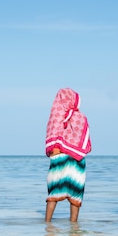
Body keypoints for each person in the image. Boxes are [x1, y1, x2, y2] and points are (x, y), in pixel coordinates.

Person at [44, 88, 92, 222]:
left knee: (54, 191)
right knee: (75, 193)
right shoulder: (81, 118)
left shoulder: (55, 116)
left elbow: (51, 139)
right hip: (77, 159)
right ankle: (74, 226)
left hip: (58, 157)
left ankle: (47, 225)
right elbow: (85, 143)